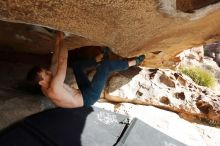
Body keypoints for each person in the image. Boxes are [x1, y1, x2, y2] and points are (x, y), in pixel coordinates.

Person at [27, 32, 145, 108]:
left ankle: (98, 58)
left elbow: (54, 62)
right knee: (106, 65)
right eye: (45, 74)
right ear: (41, 82)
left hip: (82, 92)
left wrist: (57, 41)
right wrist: (63, 38)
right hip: (89, 97)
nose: (48, 72)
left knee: (77, 66)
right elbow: (62, 60)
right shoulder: (54, 87)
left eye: (45, 71)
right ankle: (133, 62)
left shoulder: (45, 86)